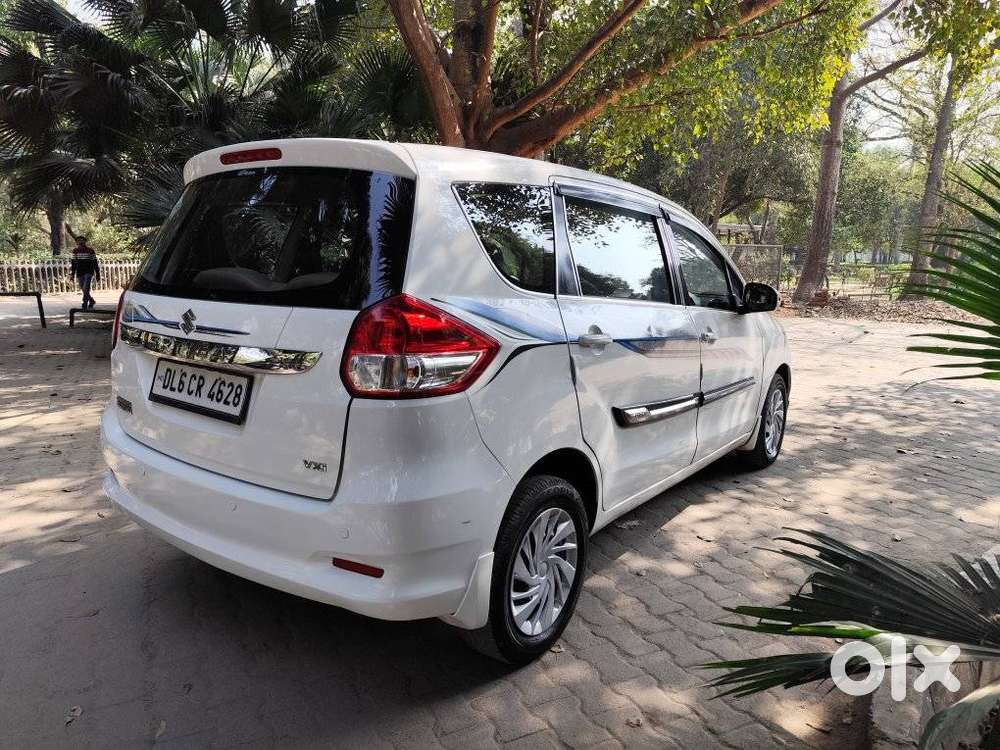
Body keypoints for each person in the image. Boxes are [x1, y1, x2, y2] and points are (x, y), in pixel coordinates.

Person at [66, 224, 100, 309]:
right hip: (80, 272)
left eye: (82, 241)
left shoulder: (90, 250)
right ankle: (91, 300)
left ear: (85, 242)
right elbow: (73, 263)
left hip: (89, 271)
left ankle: (85, 303)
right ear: (77, 242)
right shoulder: (75, 251)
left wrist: (97, 273)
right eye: (78, 241)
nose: (80, 242)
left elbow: (95, 262)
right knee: (83, 288)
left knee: (86, 287)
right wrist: (72, 274)